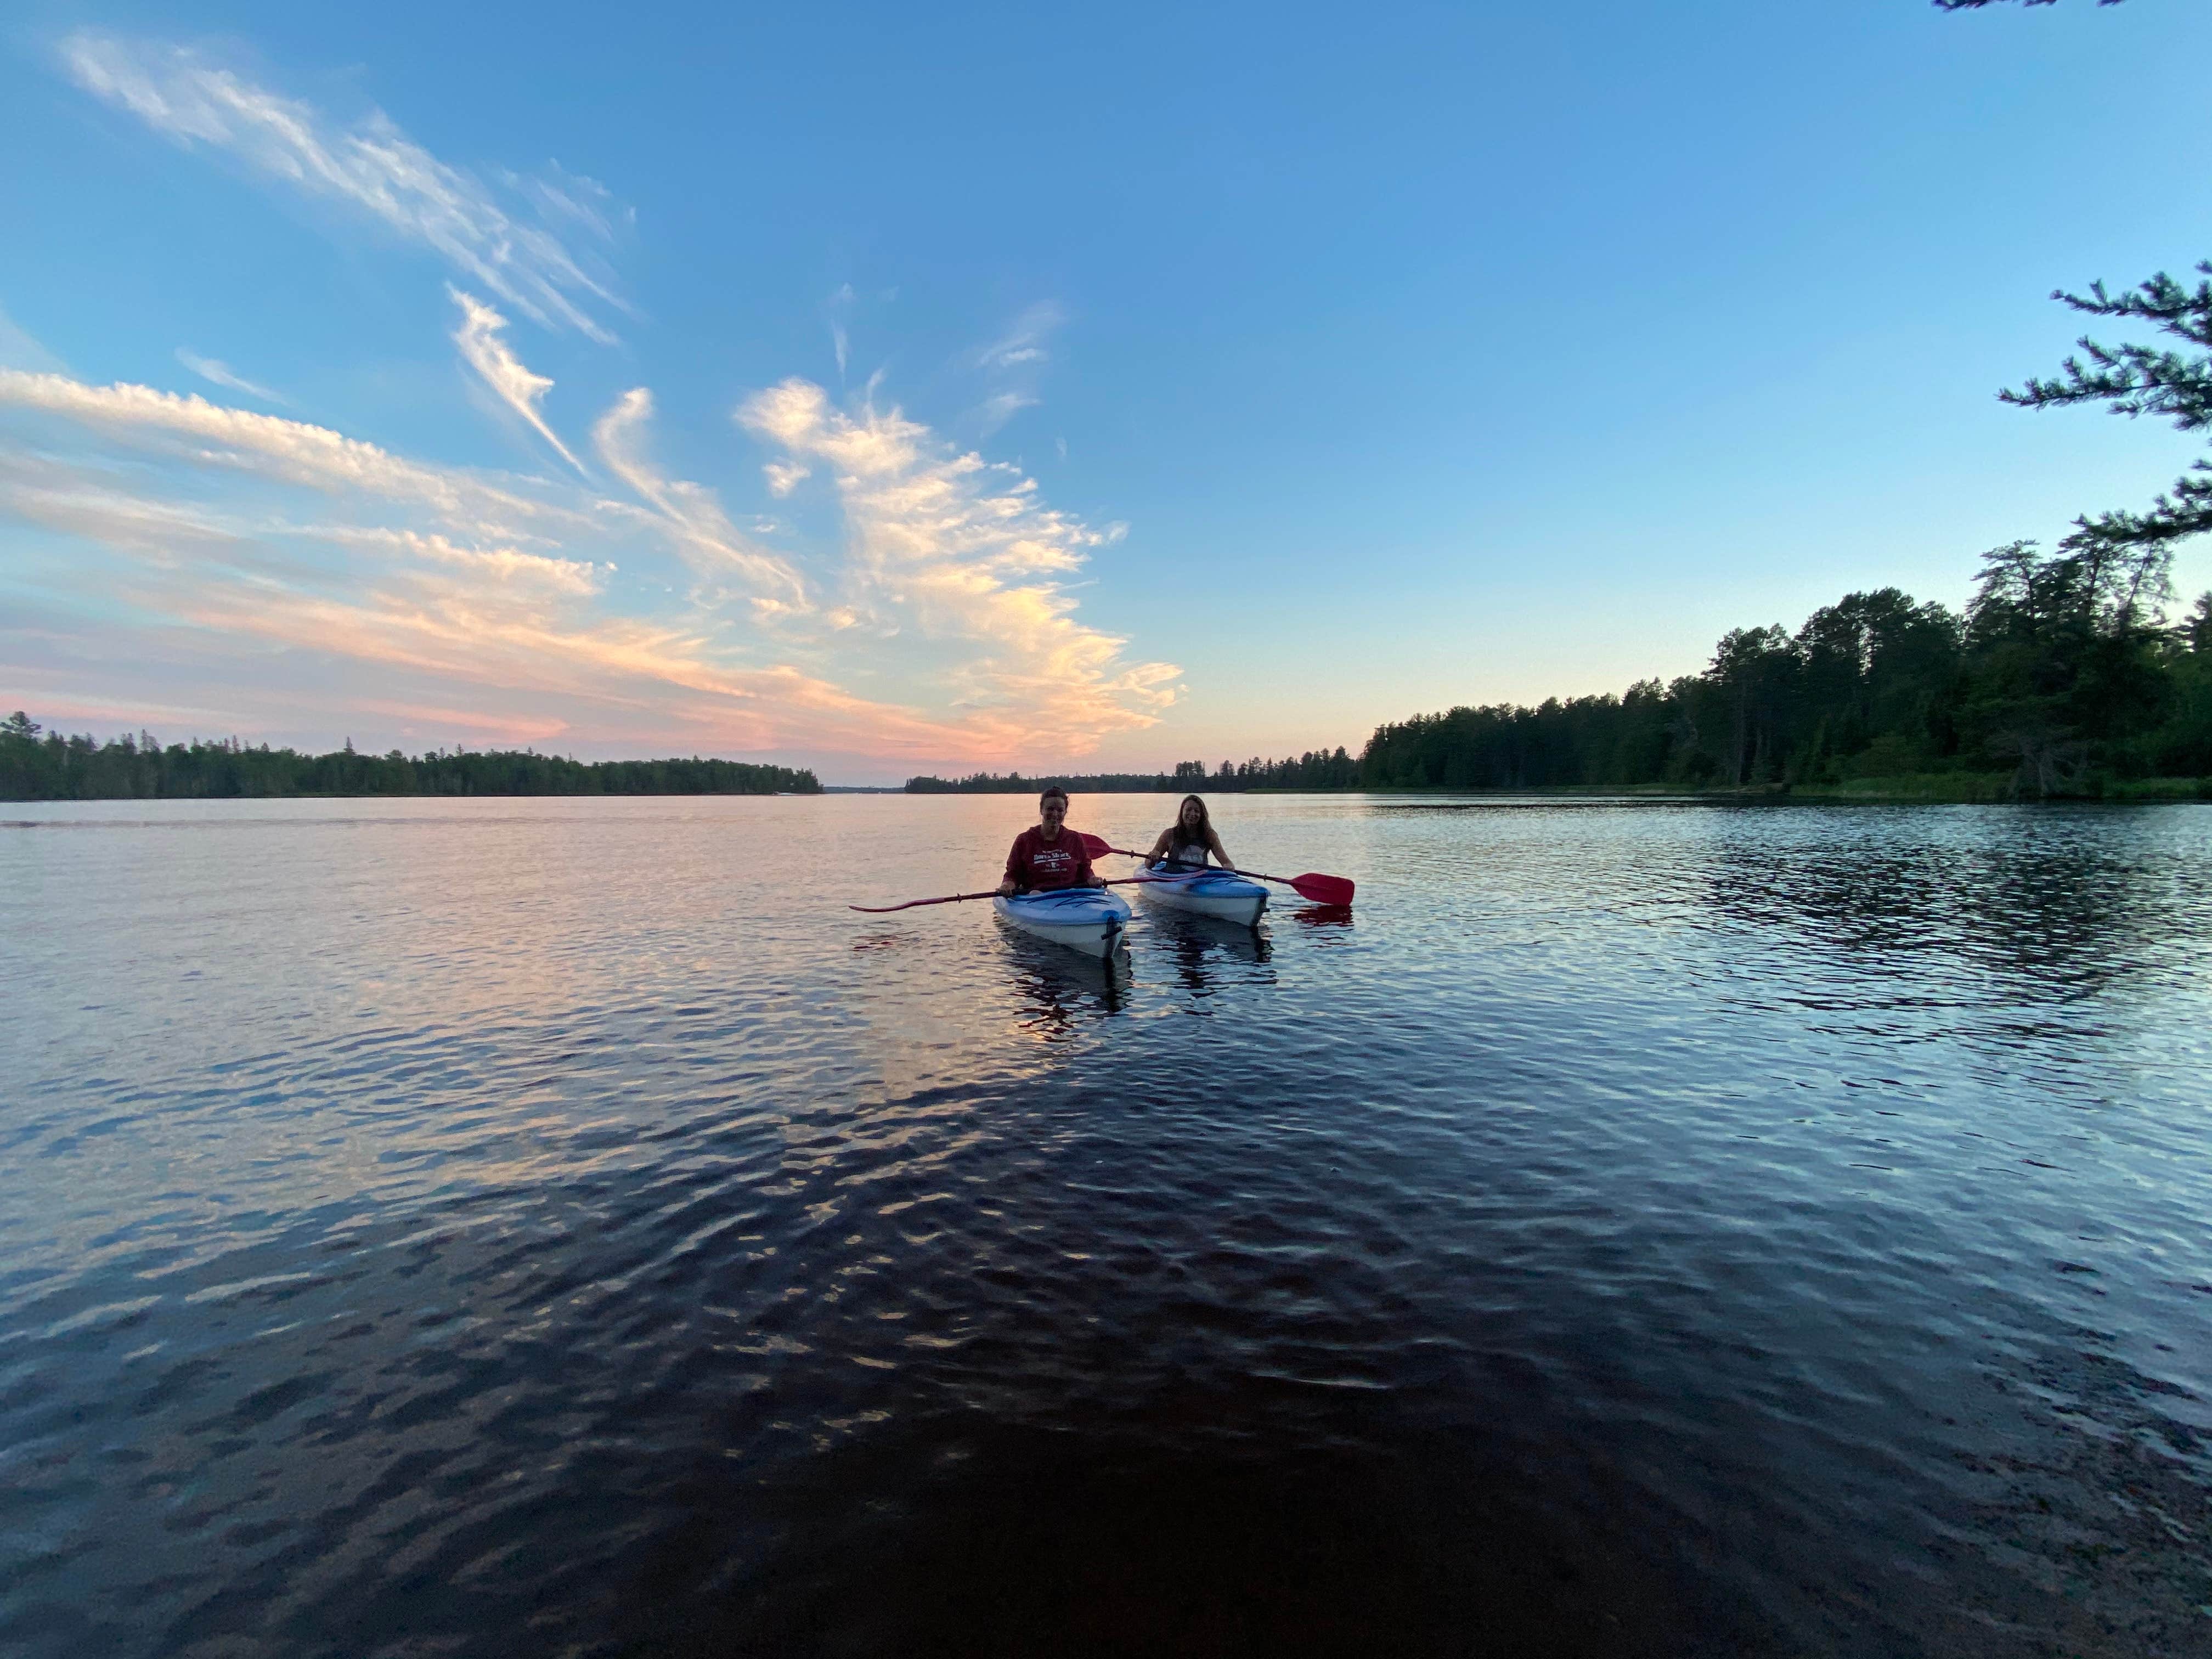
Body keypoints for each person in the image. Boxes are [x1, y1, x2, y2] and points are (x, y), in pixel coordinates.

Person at [998, 786, 1100, 895]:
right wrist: (1007, 885)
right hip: (1035, 898)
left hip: (1071, 896)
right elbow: (1013, 874)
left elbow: (1086, 870)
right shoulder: (1024, 840)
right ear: (1041, 810)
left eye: (1060, 810)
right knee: (1035, 893)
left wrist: (1092, 878)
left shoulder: (1075, 839)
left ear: (1065, 812)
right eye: (1050, 809)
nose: (1055, 814)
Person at [1146, 793, 1232, 871]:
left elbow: (1227, 862)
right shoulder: (1169, 835)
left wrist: (1228, 866)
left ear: (1202, 815)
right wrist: (1153, 857)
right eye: (1189, 810)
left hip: (1200, 882)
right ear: (1182, 812)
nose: (1192, 814)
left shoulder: (1210, 835)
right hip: (1174, 881)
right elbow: (1148, 864)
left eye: (1197, 811)